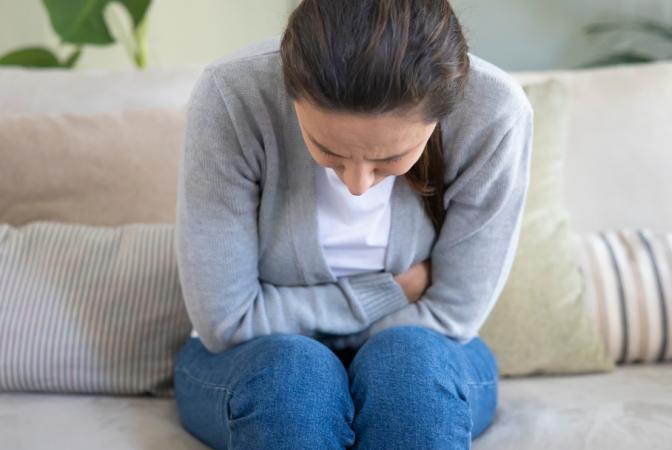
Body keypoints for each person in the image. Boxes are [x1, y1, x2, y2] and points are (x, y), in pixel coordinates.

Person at [172, 0, 534, 448]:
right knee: (296, 379)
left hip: (426, 351)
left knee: (407, 370)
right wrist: (391, 291)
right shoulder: (233, 95)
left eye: (389, 160)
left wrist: (357, 362)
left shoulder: (494, 112)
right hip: (250, 362)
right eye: (327, 150)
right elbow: (227, 321)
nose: (357, 185)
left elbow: (453, 314)